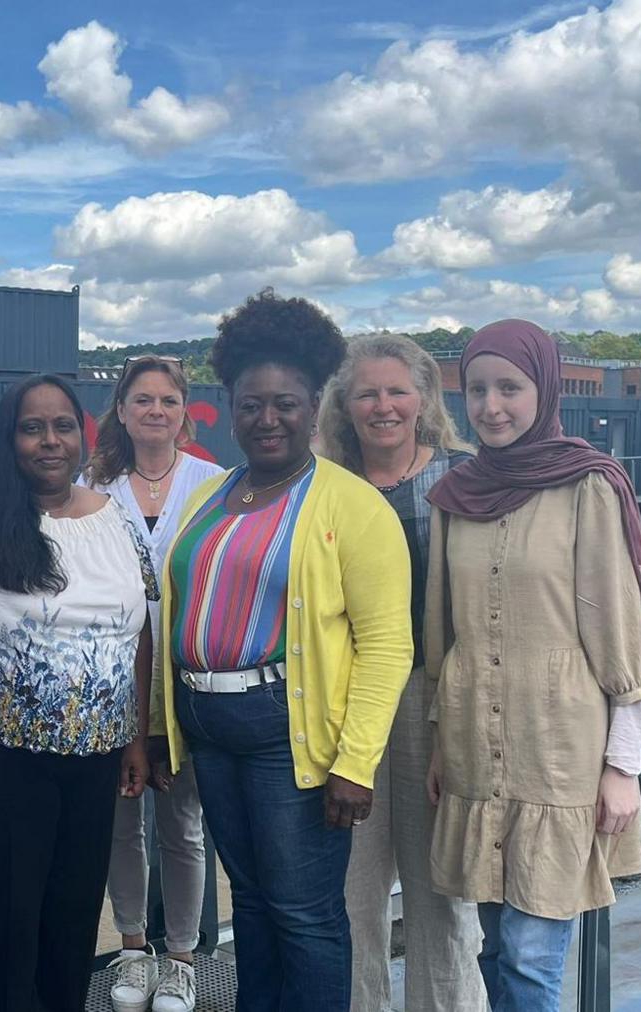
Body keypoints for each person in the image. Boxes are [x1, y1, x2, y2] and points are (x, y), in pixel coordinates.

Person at [150, 290, 412, 1012]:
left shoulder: (353, 506)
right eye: (250, 404)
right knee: (255, 910)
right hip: (209, 727)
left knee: (303, 914)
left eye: (286, 403)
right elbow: (168, 613)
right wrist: (160, 725)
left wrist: (355, 765)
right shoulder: (214, 496)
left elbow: (387, 645)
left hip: (284, 735)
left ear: (314, 403)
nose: (267, 419)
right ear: (229, 406)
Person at [422, 319, 641, 1012]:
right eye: (477, 389)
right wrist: (439, 738)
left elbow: (619, 629)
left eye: (510, 388)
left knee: (529, 956)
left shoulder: (588, 485)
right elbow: (444, 630)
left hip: (560, 753)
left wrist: (622, 766)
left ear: (544, 388)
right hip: (473, 746)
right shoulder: (455, 495)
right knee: (492, 944)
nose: (492, 406)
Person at [0, 373, 158, 1012]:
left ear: (83, 435)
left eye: (63, 426)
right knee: (2, 934)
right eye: (32, 428)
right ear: (8, 438)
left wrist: (136, 737)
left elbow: (137, 634)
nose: (50, 441)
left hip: (96, 765)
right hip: (2, 767)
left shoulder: (117, 520)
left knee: (72, 925)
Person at [319, 334, 486, 1012]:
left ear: (422, 400)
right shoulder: (320, 482)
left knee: (441, 894)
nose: (382, 405)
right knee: (348, 897)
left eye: (396, 391)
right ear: (345, 404)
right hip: (343, 700)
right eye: (367, 392)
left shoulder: (464, 478)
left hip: (433, 697)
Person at [82, 355, 225, 1012]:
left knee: (183, 822)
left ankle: (183, 959)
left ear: (185, 411)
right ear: (122, 409)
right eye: (142, 400)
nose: (156, 411)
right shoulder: (94, 484)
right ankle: (133, 950)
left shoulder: (216, 483)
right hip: (110, 677)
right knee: (120, 818)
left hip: (186, 676)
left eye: (168, 400)